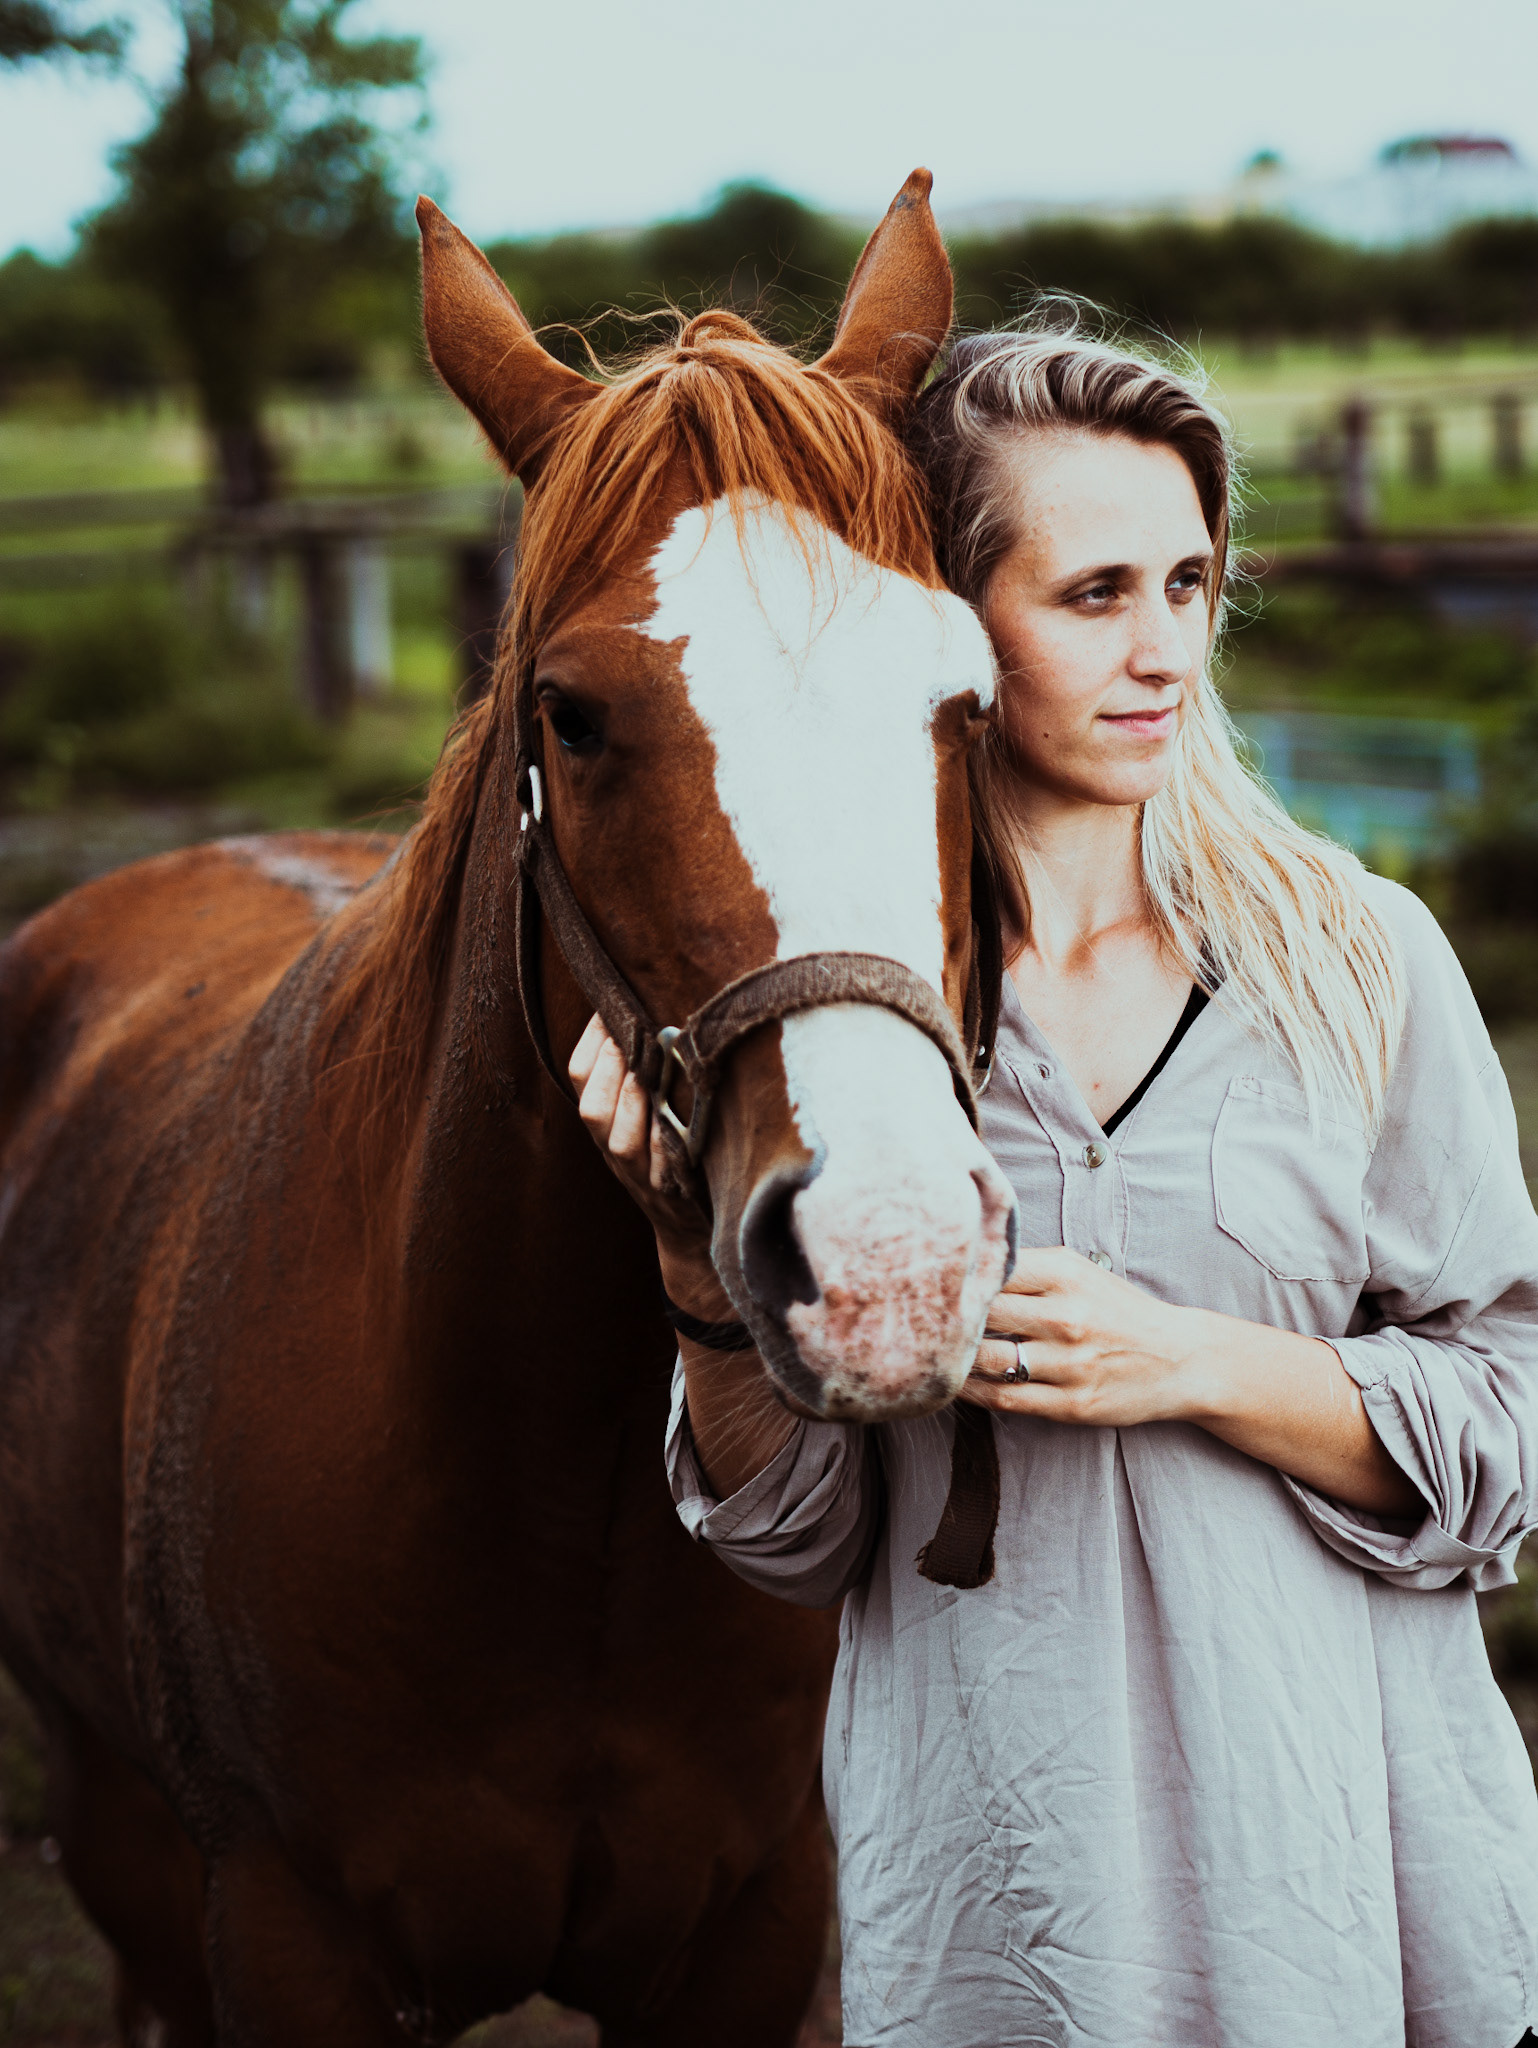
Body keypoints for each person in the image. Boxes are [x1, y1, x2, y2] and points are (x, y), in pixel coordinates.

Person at [569, 321, 1538, 2048]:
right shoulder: (847, 1044)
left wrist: (1195, 1363)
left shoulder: (1355, 958)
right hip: (1003, 1917)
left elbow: (1512, 1426)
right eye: (1093, 595)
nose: (1163, 650)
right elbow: (796, 1542)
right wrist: (690, 1254)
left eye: (1187, 582)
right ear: (948, 618)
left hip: (1346, 1883)